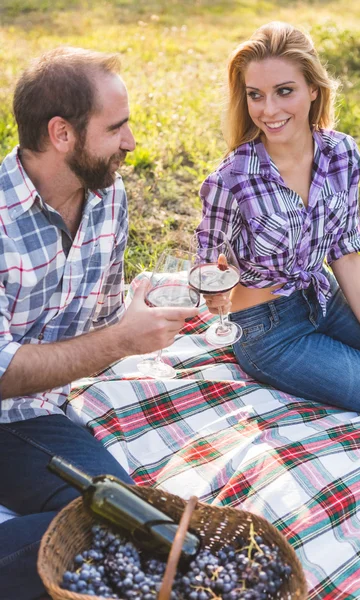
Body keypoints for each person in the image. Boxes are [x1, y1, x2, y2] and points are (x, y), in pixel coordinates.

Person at [0, 47, 198, 600]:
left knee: (133, 524)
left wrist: (165, 296)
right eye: (117, 128)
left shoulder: (108, 199)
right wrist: (119, 339)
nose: (131, 143)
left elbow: (103, 314)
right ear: (61, 133)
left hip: (32, 419)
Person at [197, 21, 360, 419]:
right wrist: (211, 284)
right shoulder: (233, 177)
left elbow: (345, 253)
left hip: (326, 300)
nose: (268, 110)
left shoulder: (341, 153)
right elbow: (206, 260)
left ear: (313, 89)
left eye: (284, 91)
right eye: (256, 95)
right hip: (268, 331)